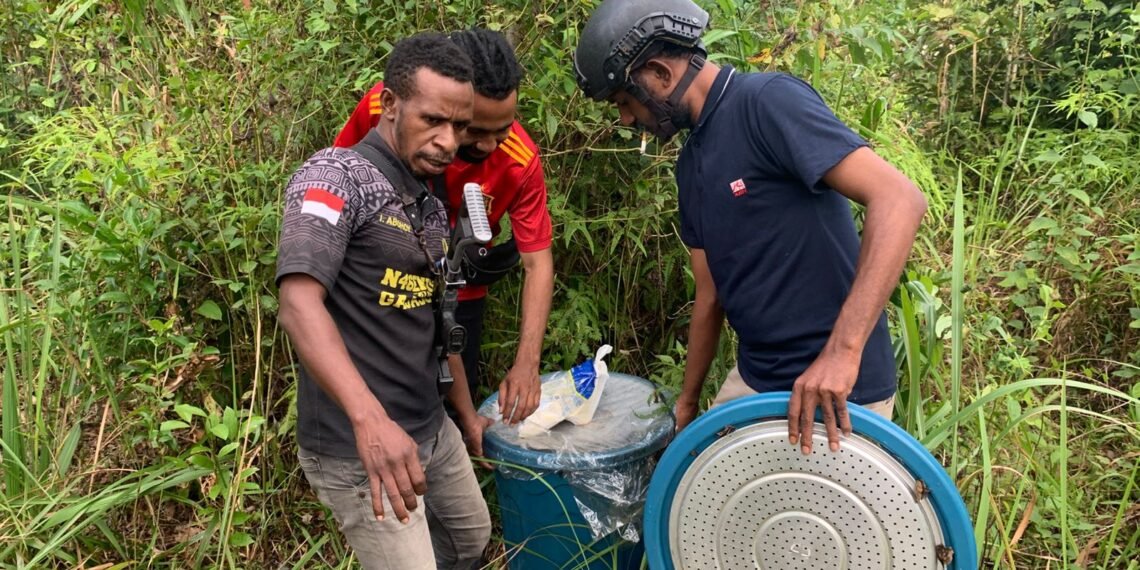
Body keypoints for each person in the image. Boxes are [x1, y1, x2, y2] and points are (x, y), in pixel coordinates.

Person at [574, 0, 928, 455]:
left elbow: (899, 199)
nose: (626, 119)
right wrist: (687, 403)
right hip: (757, 377)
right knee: (706, 509)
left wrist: (842, 353)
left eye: (625, 101)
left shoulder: (766, 102)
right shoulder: (689, 166)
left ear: (660, 73)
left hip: (838, 387)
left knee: (813, 525)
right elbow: (710, 294)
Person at [276, 32, 491, 569]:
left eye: (460, 127)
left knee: (469, 538)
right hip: (361, 444)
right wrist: (370, 422)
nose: (448, 141)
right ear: (390, 105)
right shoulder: (335, 176)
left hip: (429, 427)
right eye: (433, 121)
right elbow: (300, 303)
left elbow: (439, 322)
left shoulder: (428, 202)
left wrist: (463, 416)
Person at [335, 28, 554, 429]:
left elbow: (537, 263)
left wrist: (527, 362)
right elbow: (340, 179)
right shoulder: (388, 109)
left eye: (501, 130)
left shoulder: (519, 160)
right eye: (475, 128)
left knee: (450, 400)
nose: (488, 146)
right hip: (378, 279)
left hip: (459, 289)